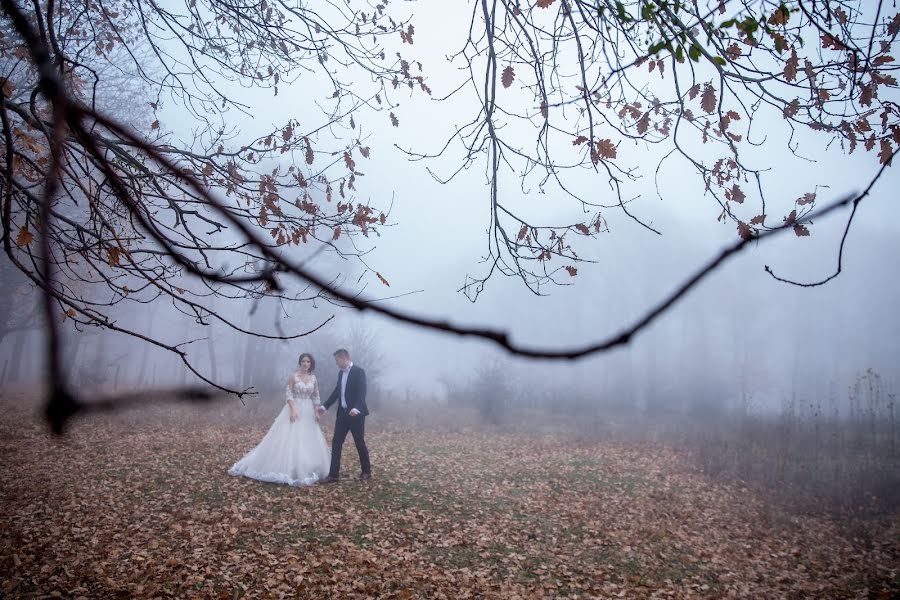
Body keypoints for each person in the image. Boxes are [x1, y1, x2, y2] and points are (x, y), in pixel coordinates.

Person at [228, 353, 330, 486]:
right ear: (300, 363)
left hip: (308, 411)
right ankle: (288, 467)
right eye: (303, 361)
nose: (305, 363)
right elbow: (288, 394)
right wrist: (293, 410)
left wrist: (317, 411)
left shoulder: (313, 378)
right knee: (290, 437)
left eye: (308, 361)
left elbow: (316, 396)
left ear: (311, 364)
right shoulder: (293, 376)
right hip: (294, 408)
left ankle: (305, 466)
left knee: (307, 439)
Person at [318, 349, 371, 482]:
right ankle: (333, 475)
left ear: (344, 358)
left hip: (356, 415)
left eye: (337, 360)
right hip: (342, 414)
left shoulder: (359, 372)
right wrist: (325, 406)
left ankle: (366, 472)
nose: (336, 363)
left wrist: (357, 408)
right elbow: (337, 392)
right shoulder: (341, 373)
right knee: (336, 442)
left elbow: (362, 392)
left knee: (359, 442)